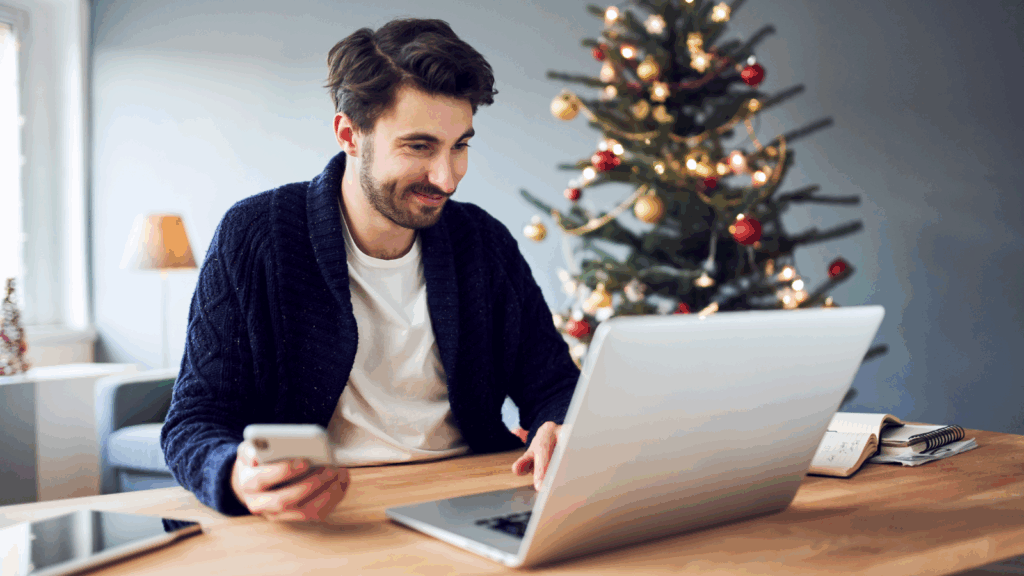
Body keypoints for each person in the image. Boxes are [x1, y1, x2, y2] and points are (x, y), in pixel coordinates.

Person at [160, 18, 579, 523]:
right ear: (349, 134)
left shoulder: (482, 242)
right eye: (419, 147)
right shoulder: (257, 235)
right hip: (323, 513)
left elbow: (553, 383)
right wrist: (234, 474)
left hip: (470, 497)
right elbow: (193, 422)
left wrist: (557, 422)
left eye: (460, 145)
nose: (446, 178)